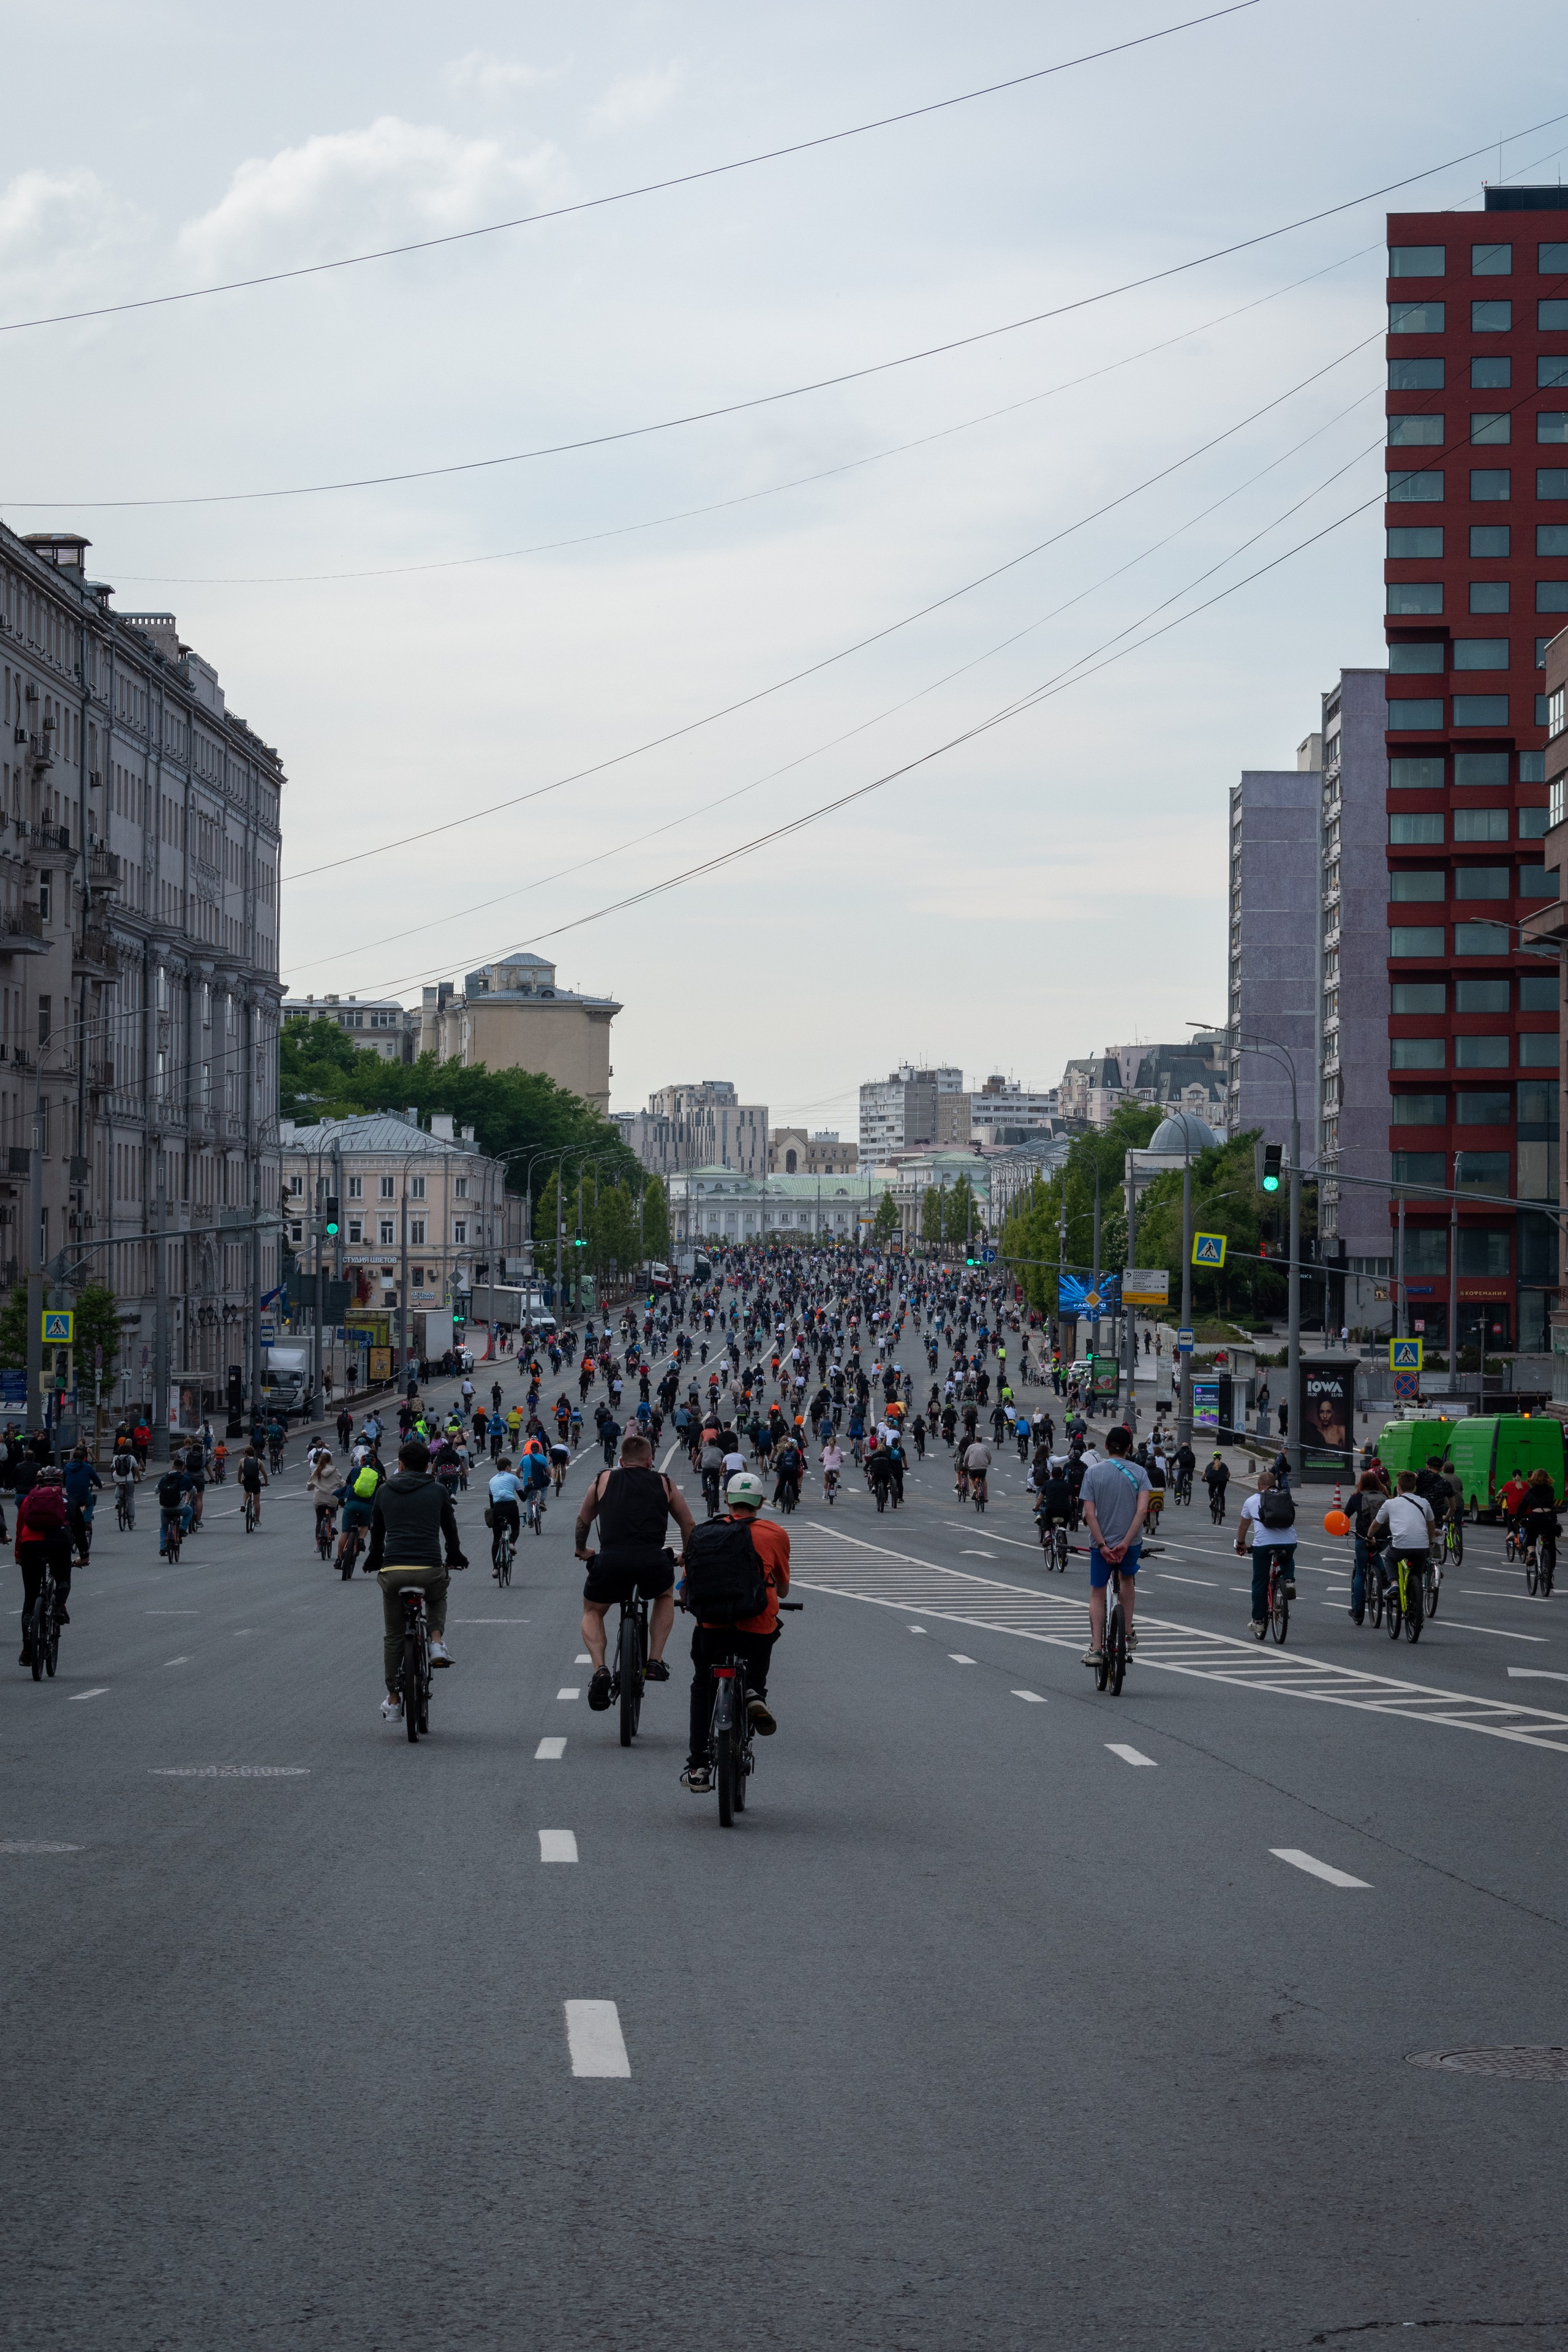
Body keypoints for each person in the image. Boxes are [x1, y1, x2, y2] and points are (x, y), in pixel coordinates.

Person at [680, 1469, 791, 1793]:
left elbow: (687, 1587)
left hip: (712, 1627)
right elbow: (783, 1591)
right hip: (756, 1627)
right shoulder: (775, 1533)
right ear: (760, 1503)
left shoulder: (703, 1534)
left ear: (727, 1501)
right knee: (763, 1647)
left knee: (703, 1685)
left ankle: (698, 1765)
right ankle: (754, 1692)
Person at [574, 1430, 694, 1708]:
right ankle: (654, 1660)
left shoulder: (603, 1479)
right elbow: (688, 1525)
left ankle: (601, 1670)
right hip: (652, 1561)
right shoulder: (665, 1483)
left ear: (620, 1460)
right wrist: (686, 1556)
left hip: (611, 1560)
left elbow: (583, 1521)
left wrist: (582, 1550)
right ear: (650, 1461)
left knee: (593, 1610)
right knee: (664, 1596)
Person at [366, 1438, 468, 1720]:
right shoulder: (437, 1491)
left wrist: (375, 1560)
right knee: (438, 1593)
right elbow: (450, 1530)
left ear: (399, 1464)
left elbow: (377, 1533)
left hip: (394, 1572)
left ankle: (395, 1699)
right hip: (429, 1569)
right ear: (428, 1466)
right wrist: (455, 1556)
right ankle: (436, 1641)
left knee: (394, 1635)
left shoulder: (385, 1491)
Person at [1079, 1425, 1150, 1665]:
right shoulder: (1140, 1473)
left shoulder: (1093, 1473)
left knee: (1098, 1592)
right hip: (1130, 1545)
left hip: (1102, 1546)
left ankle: (1097, 1649)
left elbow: (1090, 1515)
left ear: (1106, 1447)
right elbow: (1142, 1512)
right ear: (1129, 1448)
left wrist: (1102, 1545)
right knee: (1127, 1580)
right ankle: (1128, 1633)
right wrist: (1126, 1543)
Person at [1235, 1469, 1298, 1635]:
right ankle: (1289, 1580)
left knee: (1260, 1582)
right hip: (1289, 1541)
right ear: (1275, 1484)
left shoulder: (1251, 1500)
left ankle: (1259, 1621)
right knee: (1287, 1557)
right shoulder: (1285, 1497)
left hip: (1263, 1545)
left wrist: (1241, 1544)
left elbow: (1243, 1526)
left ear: (1258, 1485)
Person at [16, 1467, 70, 1656]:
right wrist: (84, 1555)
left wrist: (18, 1554)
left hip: (30, 1546)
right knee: (63, 1577)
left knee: (30, 1597)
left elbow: (20, 1528)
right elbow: (75, 1525)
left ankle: (26, 1649)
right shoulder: (64, 1500)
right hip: (58, 1546)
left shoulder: (28, 1499)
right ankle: (59, 1607)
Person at [1368, 1472, 1434, 1610]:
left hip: (1400, 1545)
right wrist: (1429, 1541)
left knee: (1390, 1559)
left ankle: (1394, 1585)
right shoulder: (1424, 1502)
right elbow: (1431, 1524)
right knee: (1417, 1575)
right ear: (1415, 1487)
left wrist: (1369, 1537)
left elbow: (1376, 1523)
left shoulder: (1390, 1503)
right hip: (1421, 1546)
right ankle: (1417, 1610)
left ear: (1398, 1487)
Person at [1348, 1468, 1387, 1623]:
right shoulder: (1385, 1496)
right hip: (1382, 1539)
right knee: (1376, 1552)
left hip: (1363, 1538)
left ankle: (1357, 1611)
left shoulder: (1357, 1497)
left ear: (1361, 1483)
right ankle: (1383, 1572)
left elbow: (1345, 1516)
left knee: (1360, 1574)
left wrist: (1344, 1530)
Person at [62, 1446, 103, 1562]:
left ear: (73, 1458)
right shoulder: (87, 1467)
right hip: (84, 1495)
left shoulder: (67, 1467)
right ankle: (86, 1521)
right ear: (84, 1458)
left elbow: (64, 1481)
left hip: (71, 1496)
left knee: (71, 1507)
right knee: (90, 1503)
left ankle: (70, 1525)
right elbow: (96, 1479)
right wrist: (100, 1485)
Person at [488, 1455, 522, 1569]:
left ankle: (495, 1569)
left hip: (498, 1508)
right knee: (516, 1529)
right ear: (508, 1467)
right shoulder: (514, 1478)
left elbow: (491, 1500)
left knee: (496, 1539)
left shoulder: (492, 1480)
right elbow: (522, 1497)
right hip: (511, 1506)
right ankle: (512, 1543)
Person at [237, 1443, 268, 1524]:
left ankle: (244, 1503)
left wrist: (240, 1481)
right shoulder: (258, 1461)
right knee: (257, 1502)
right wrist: (266, 1482)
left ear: (246, 1453)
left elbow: (240, 1473)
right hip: (255, 1481)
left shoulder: (242, 1461)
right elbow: (264, 1473)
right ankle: (257, 1520)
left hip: (247, 1480)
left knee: (247, 1491)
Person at [111, 1444, 141, 1528]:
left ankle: (119, 1502)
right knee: (130, 1497)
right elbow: (137, 1470)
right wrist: (139, 1479)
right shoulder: (131, 1458)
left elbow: (114, 1467)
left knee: (118, 1491)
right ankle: (131, 1521)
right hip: (129, 1479)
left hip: (117, 1479)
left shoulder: (115, 1458)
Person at [963, 1435, 992, 1506]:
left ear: (975, 1440)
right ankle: (986, 1496)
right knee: (983, 1479)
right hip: (983, 1468)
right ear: (981, 1440)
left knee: (971, 1478)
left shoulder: (970, 1447)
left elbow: (966, 1457)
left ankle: (974, 1490)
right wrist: (988, 1463)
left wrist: (965, 1464)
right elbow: (989, 1457)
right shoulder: (985, 1447)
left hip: (973, 1468)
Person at [1202, 1451, 1230, 1520]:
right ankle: (1222, 1509)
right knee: (1221, 1495)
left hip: (1212, 1481)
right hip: (1222, 1481)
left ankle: (1212, 1499)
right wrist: (1227, 1479)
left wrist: (1203, 1479)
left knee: (1211, 1490)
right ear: (1220, 1458)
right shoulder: (1223, 1465)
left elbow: (1205, 1473)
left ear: (1213, 1458)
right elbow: (1228, 1474)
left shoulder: (1210, 1465)